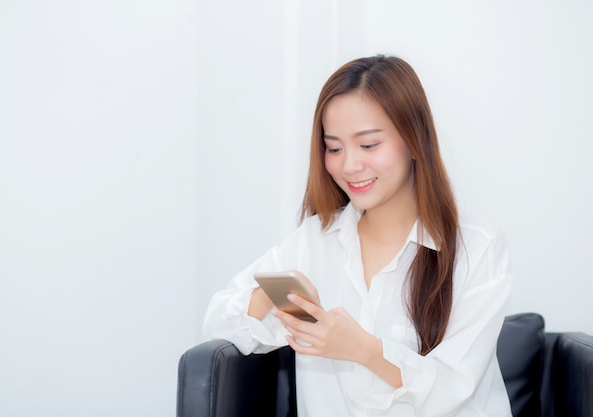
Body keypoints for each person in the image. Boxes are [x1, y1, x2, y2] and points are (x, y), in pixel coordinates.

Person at [203, 55, 513, 417]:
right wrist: (274, 296)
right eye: (334, 148)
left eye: (368, 145)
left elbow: (453, 387)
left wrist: (362, 349)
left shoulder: (477, 247)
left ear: (414, 141)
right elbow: (219, 322)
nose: (349, 165)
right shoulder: (314, 239)